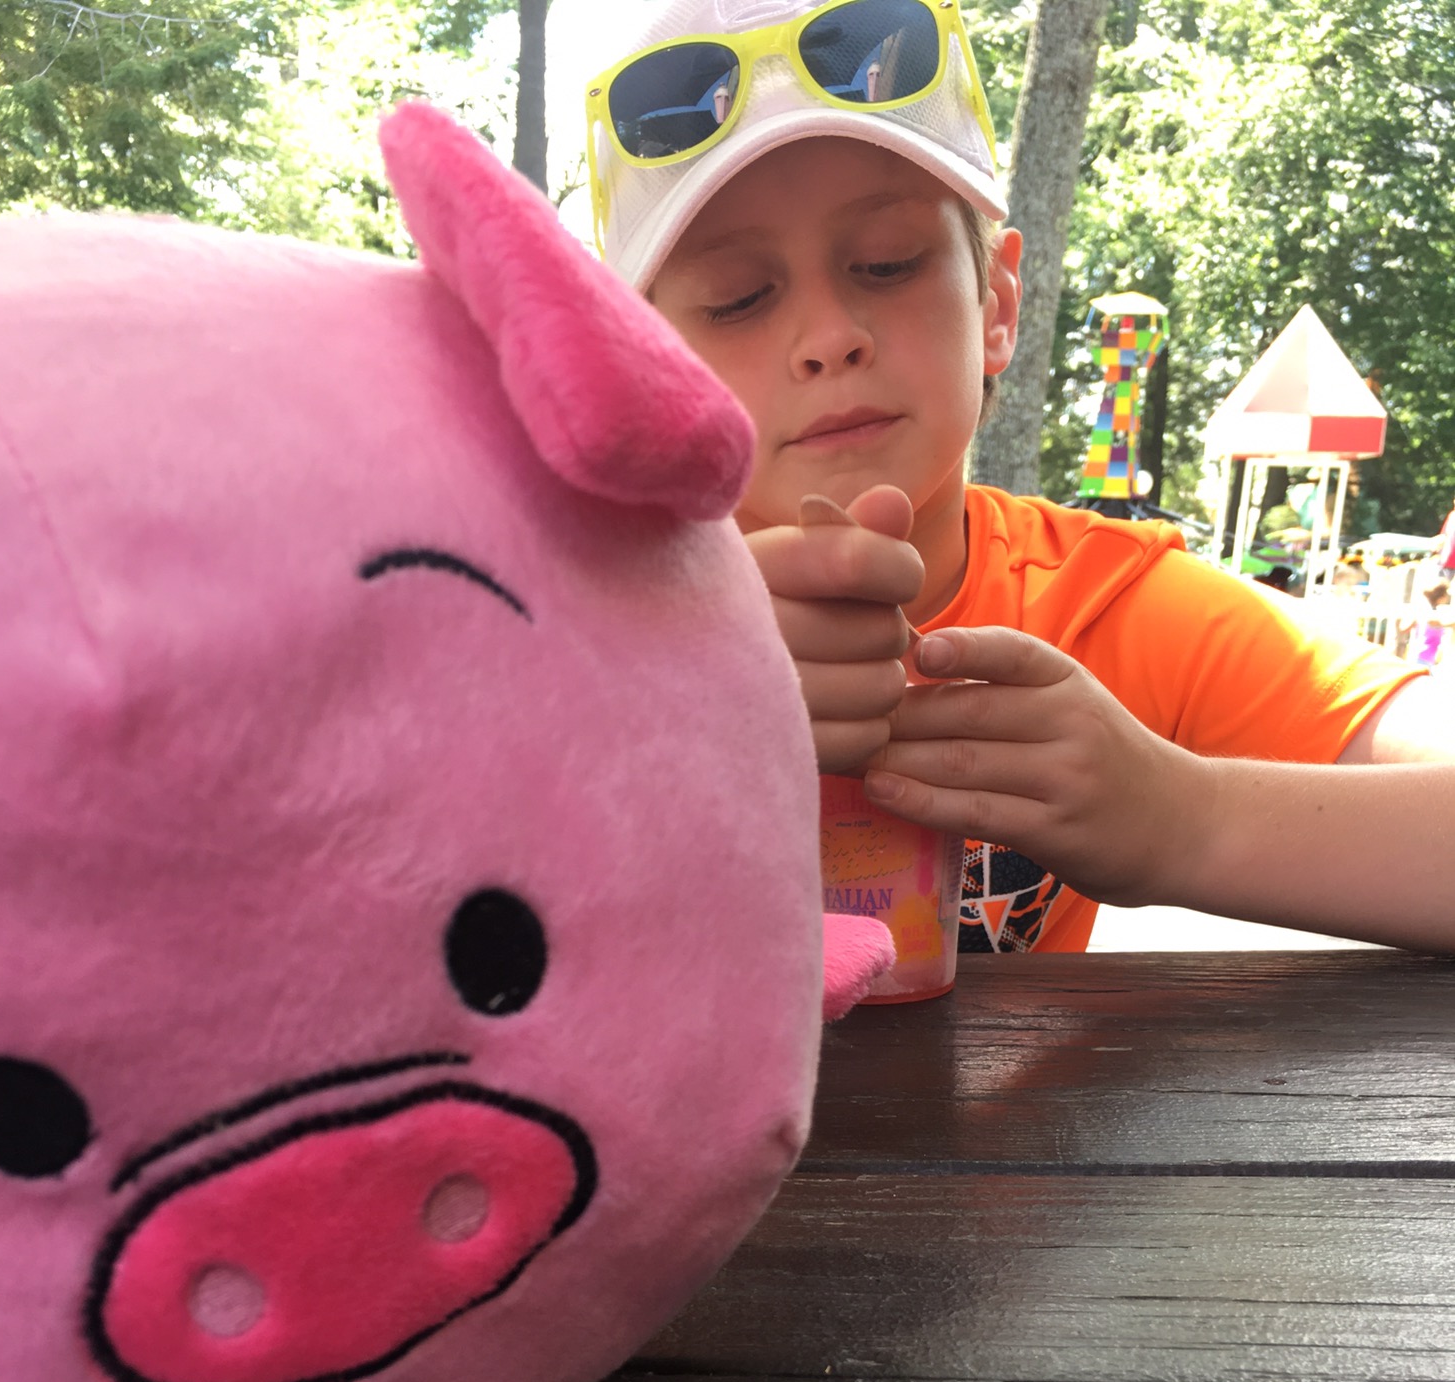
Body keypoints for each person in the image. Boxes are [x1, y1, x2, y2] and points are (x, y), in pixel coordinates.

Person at [584, 0, 1455, 953]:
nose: (828, 336)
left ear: (997, 305)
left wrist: (1183, 819)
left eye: (886, 264)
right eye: (739, 298)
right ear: (643, 364)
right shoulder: (576, 624)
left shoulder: (1102, 606)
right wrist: (647, 718)